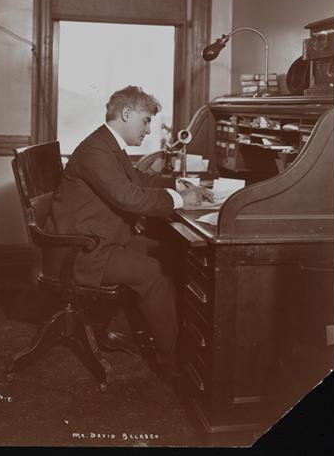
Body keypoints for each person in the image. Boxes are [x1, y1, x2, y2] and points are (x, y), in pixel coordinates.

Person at [52, 85, 213, 381]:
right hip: (83, 250)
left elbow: (137, 181)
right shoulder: (96, 150)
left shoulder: (109, 144)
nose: (149, 130)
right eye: (146, 121)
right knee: (154, 274)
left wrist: (178, 186)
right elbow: (130, 198)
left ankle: (163, 336)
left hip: (102, 239)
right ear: (126, 114)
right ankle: (172, 362)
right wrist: (180, 200)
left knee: (171, 255)